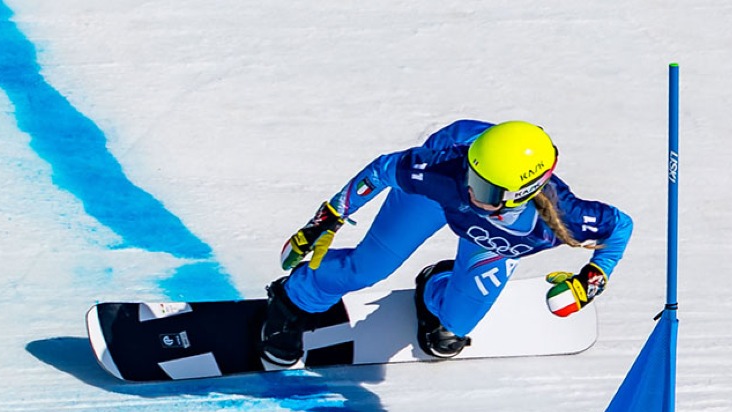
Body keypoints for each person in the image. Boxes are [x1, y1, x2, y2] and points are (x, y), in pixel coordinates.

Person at [258, 119, 633, 367]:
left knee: (456, 324)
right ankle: (295, 298)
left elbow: (620, 229)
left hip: (490, 237)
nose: (470, 189)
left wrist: (590, 281)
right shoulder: (445, 173)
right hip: (436, 196)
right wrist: (328, 219)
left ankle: (437, 286)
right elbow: (383, 170)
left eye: (484, 189)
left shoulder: (567, 219)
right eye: (471, 173)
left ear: (522, 194)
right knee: (368, 268)